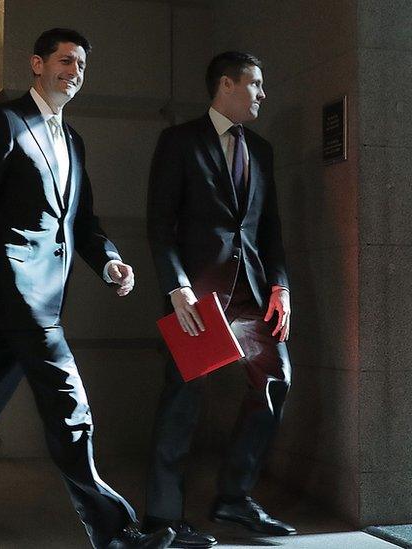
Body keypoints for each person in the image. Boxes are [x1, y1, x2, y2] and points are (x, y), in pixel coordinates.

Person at [0, 28, 175, 549]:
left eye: (82, 64)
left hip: (48, 294)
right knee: (71, 407)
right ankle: (115, 532)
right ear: (36, 64)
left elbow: (80, 221)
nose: (74, 71)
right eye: (65, 60)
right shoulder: (3, 123)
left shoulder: (73, 140)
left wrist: (109, 261)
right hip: (18, 293)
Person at [143, 51, 295, 547]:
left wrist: (281, 285)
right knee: (183, 402)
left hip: (253, 293)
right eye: (255, 84)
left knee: (276, 379)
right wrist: (177, 286)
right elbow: (160, 225)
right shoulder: (179, 141)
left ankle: (233, 498)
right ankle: (162, 517)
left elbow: (268, 229)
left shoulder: (263, 151)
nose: (262, 94)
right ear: (226, 85)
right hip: (198, 299)